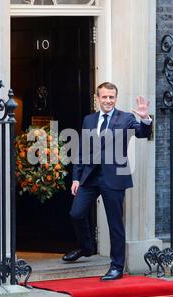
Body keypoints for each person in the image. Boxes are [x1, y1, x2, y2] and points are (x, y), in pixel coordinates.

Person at [62, 82, 152, 281]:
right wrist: (76, 177)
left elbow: (142, 134)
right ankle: (86, 247)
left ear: (116, 99)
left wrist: (145, 118)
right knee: (76, 214)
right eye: (104, 97)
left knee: (114, 225)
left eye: (112, 97)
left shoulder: (126, 118)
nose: (108, 100)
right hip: (90, 176)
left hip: (114, 177)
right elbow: (82, 150)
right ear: (98, 98)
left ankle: (117, 267)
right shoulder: (89, 119)